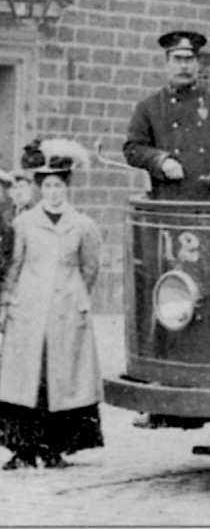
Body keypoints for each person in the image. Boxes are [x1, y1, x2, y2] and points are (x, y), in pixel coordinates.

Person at [0, 138, 103, 470]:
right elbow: (14, 266)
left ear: (66, 188)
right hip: (28, 308)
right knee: (26, 379)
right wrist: (7, 303)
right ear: (40, 189)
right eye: (47, 186)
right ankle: (23, 450)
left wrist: (76, 297)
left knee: (62, 379)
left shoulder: (83, 225)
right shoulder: (25, 223)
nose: (54, 193)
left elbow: (90, 269)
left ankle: (54, 448)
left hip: (67, 311)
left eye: (59, 186)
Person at [123, 30, 210, 201]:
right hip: (169, 201)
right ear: (167, 64)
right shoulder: (149, 107)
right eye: (177, 59)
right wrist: (161, 161)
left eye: (189, 59)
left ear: (198, 64)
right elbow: (133, 148)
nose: (184, 66)